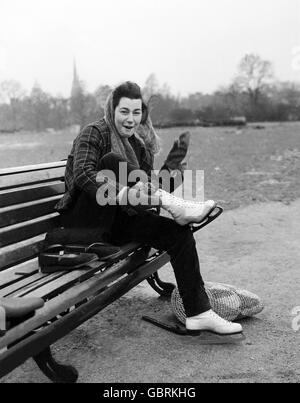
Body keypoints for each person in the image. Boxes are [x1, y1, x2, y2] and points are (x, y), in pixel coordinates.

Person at [55, 81, 242, 335]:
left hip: (117, 222)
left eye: (136, 112)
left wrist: (172, 171)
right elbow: (83, 175)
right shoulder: (94, 133)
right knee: (111, 161)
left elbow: (146, 191)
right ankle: (173, 204)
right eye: (124, 112)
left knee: (179, 233)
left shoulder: (138, 146)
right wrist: (125, 193)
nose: (130, 119)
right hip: (84, 222)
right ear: (112, 110)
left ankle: (199, 313)